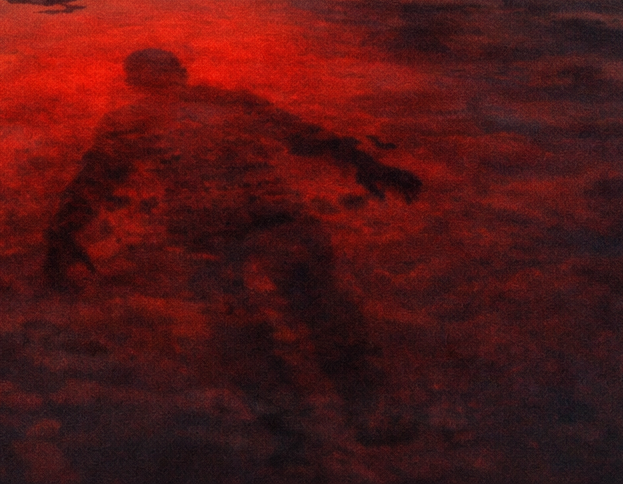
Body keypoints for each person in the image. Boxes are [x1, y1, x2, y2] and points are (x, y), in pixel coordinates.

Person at [43, 49, 422, 456]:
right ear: (182, 74)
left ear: (132, 83)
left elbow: (92, 184)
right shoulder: (225, 103)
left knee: (255, 334)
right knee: (313, 319)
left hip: (218, 231)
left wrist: (62, 237)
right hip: (261, 222)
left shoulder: (133, 120)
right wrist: (369, 164)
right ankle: (346, 421)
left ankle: (300, 433)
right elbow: (309, 138)